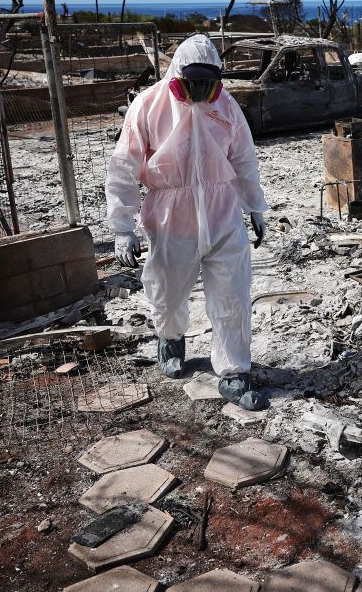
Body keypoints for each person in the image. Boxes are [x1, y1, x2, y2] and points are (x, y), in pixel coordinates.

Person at [105, 34, 269, 410]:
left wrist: (254, 206)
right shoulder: (148, 105)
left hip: (222, 210)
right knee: (168, 288)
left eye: (205, 84)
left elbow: (243, 158)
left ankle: (233, 372)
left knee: (233, 292)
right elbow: (124, 167)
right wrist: (122, 228)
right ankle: (170, 339)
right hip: (170, 213)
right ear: (176, 75)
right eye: (190, 83)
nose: (197, 91)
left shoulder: (225, 106)